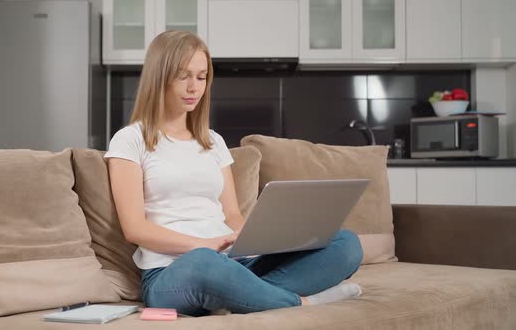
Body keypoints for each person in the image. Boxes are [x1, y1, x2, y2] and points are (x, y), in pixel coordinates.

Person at [104, 30, 364, 317]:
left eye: (201, 77)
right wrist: (202, 245)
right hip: (173, 272)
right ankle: (298, 302)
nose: (194, 87)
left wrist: (256, 238)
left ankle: (244, 296)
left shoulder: (212, 141)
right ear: (159, 77)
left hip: (234, 264)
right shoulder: (130, 140)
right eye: (183, 76)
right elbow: (134, 228)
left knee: (346, 244)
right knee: (204, 262)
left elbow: (231, 215)